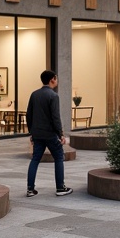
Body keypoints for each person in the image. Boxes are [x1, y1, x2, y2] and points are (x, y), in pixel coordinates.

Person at [25, 69, 73, 198]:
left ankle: (30, 189)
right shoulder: (53, 96)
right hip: (50, 134)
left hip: (37, 134)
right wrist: (61, 134)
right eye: (56, 78)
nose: (56, 81)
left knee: (35, 159)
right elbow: (55, 117)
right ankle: (60, 187)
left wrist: (31, 132)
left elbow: (28, 115)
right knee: (58, 158)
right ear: (52, 79)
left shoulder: (34, 94)